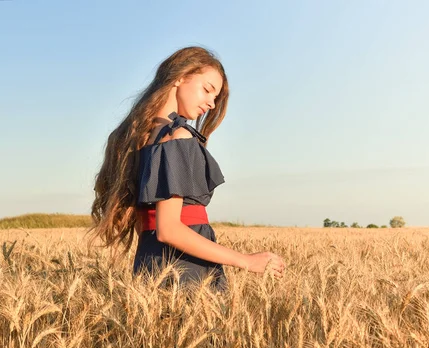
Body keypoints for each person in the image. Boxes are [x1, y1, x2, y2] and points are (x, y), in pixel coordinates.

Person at [89, 46, 286, 291]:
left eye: (216, 98)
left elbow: (146, 226)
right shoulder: (177, 137)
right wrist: (246, 261)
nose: (212, 104)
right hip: (186, 269)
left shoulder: (139, 138)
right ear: (180, 76)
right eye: (207, 89)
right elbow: (169, 229)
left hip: (151, 264)